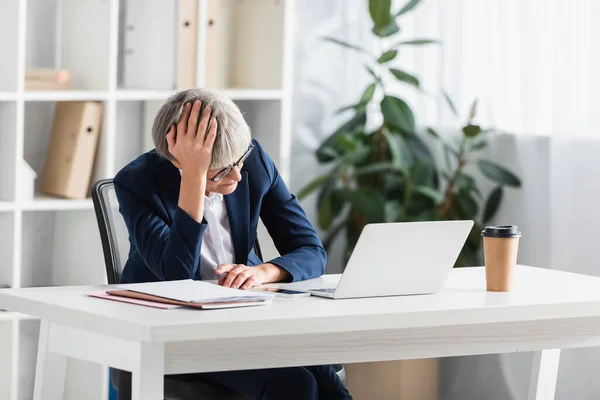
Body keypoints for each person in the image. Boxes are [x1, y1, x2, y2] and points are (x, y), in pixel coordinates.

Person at [112, 88, 352, 400]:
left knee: (324, 377)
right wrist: (194, 180)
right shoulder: (137, 182)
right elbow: (177, 276)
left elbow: (310, 250)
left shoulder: (251, 161)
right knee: (295, 383)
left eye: (239, 160)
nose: (237, 176)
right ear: (177, 159)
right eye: (223, 169)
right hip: (173, 330)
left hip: (245, 319)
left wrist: (265, 272)